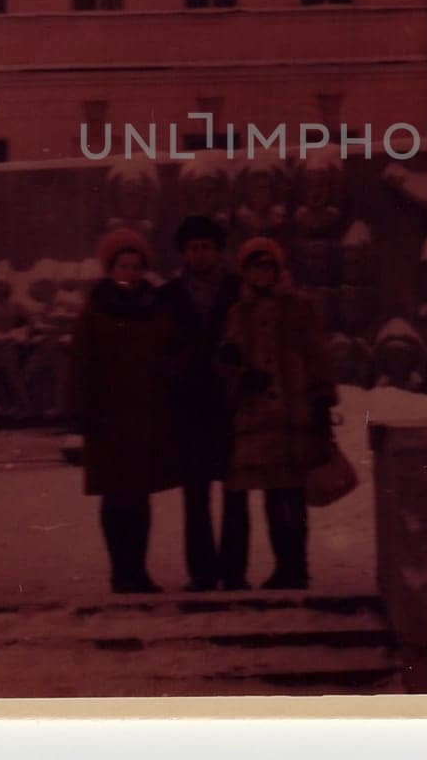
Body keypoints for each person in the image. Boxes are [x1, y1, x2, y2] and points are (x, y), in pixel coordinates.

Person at [217, 237, 337, 591]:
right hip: (256, 418)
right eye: (255, 267)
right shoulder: (239, 312)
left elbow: (317, 355)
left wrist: (321, 399)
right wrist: (238, 373)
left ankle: (295, 565)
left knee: (293, 493)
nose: (262, 273)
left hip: (294, 411)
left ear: (278, 269)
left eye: (268, 266)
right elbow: (227, 357)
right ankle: (282, 567)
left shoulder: (300, 307)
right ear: (246, 272)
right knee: (272, 491)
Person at [67, 228, 182, 593]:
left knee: (140, 498)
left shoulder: (155, 307)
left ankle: (139, 570)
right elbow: (82, 364)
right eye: (123, 265)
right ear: (109, 268)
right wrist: (85, 413)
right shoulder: (95, 309)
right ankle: (120, 571)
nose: (130, 272)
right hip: (108, 418)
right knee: (115, 498)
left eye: (136, 266)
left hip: (147, 415)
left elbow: (170, 351)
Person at [162, 215, 244, 591]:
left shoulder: (239, 289)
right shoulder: (168, 295)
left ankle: (234, 570)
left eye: (207, 246)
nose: (200, 254)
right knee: (195, 495)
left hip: (231, 403)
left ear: (218, 251)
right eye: (194, 247)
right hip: (189, 404)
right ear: (184, 253)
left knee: (235, 491)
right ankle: (201, 571)